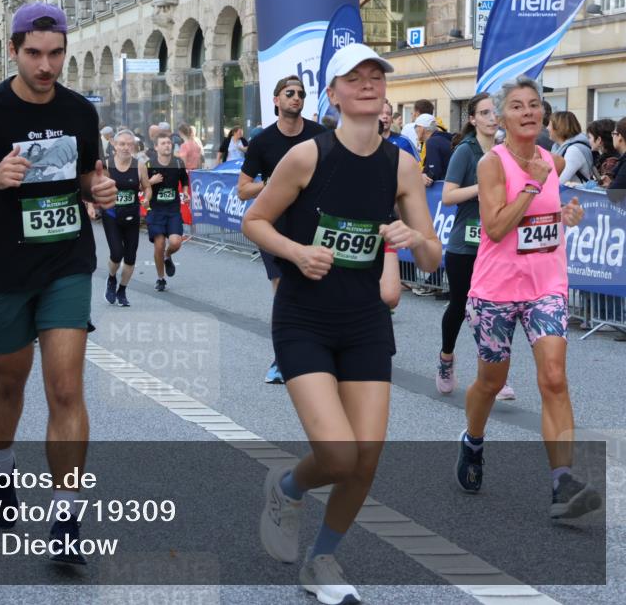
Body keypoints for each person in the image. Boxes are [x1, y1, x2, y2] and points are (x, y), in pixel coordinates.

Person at [242, 43, 440, 604]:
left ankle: (323, 559)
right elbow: (254, 220)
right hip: (304, 317)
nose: (369, 83)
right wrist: (297, 253)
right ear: (332, 94)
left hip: (365, 322)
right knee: (337, 454)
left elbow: (432, 254)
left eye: (376, 75)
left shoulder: (402, 165)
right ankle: (286, 488)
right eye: (355, 76)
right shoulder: (307, 156)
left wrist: (412, 239)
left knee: (367, 456)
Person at [0, 2, 117, 564]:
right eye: (34, 53)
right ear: (14, 51)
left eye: (56, 53)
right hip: (4, 266)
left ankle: (64, 520)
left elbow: (86, 176)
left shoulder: (80, 112)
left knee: (64, 388)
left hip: (66, 262)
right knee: (9, 380)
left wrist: (97, 191)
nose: (46, 65)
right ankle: (1, 468)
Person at [457, 75, 601, 521]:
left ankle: (563, 484)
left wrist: (565, 215)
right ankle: (473, 440)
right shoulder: (492, 164)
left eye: (534, 105)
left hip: (545, 286)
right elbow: (497, 227)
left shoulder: (554, 162)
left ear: (543, 114)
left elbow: (543, 218)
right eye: (517, 106)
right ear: (501, 118)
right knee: (491, 382)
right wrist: (534, 187)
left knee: (554, 378)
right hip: (496, 290)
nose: (528, 112)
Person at [239, 74, 326, 384]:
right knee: (283, 290)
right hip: (273, 226)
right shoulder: (262, 141)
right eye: (290, 93)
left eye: (301, 93)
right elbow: (243, 190)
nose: (296, 97)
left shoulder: (319, 135)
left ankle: (317, 350)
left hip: (313, 223)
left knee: (315, 291)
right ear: (276, 100)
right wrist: (276, 182)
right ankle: (281, 358)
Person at [435, 93, 519, 400]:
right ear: (473, 119)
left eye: (494, 111)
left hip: (495, 241)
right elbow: (447, 196)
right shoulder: (465, 151)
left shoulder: (504, 151)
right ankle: (446, 358)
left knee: (494, 309)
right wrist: (481, 187)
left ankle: (496, 377)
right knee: (460, 306)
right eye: (484, 112)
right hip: (464, 244)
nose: (491, 117)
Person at [101, 129, 145, 307]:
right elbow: (96, 188)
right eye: (122, 144)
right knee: (116, 253)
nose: (126, 148)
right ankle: (111, 278)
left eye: (129, 144)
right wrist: (90, 205)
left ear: (133, 146)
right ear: (115, 146)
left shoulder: (139, 165)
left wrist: (147, 196)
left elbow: (147, 186)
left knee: (131, 257)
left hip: (132, 215)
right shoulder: (106, 165)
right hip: (111, 214)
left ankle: (122, 290)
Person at [143, 132, 188, 292]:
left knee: (176, 242)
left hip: (173, 209)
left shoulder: (178, 163)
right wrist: (150, 181)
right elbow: (139, 185)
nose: (167, 145)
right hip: (155, 210)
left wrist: (186, 192)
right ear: (156, 147)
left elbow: (184, 181)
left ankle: (167, 255)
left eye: (169, 143)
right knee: (159, 243)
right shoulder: (149, 165)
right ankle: (161, 278)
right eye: (163, 143)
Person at [550, 111, 594, 185]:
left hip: (576, 195)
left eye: (549, 125)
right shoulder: (557, 147)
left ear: (558, 128)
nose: (547, 128)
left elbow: (559, 181)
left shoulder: (574, 150)